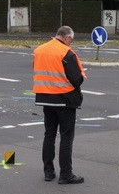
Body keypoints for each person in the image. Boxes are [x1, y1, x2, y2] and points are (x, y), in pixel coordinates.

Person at [33, 26, 86, 185]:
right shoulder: (66, 53)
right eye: (72, 40)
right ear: (67, 38)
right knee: (66, 137)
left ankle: (48, 172)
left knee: (49, 135)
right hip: (64, 99)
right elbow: (77, 79)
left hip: (44, 97)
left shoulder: (39, 50)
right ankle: (66, 174)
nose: (71, 43)